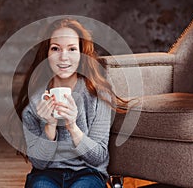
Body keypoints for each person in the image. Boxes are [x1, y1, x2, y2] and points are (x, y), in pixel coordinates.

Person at [15, 18, 127, 188]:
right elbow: (38, 163)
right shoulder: (35, 101)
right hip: (47, 174)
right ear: (46, 54)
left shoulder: (99, 95)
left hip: (88, 172)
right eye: (55, 49)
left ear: (82, 54)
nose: (63, 57)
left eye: (72, 49)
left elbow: (98, 157)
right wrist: (50, 126)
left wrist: (73, 126)